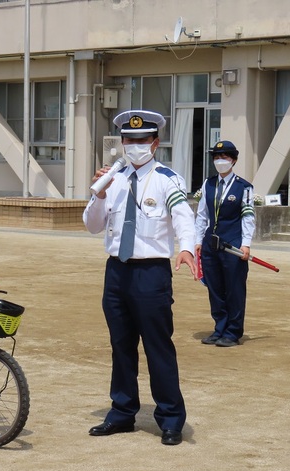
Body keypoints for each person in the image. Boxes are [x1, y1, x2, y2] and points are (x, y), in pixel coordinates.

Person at [83, 110, 197, 446]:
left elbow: (183, 217)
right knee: (121, 346)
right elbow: (92, 225)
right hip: (117, 271)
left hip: (151, 272)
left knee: (158, 347)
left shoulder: (167, 179)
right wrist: (100, 194)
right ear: (122, 143)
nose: (135, 146)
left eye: (142, 140)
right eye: (129, 140)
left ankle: (171, 418)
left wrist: (187, 248)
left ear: (155, 143)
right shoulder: (112, 180)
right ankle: (122, 412)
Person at [195, 140, 256, 347]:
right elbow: (201, 215)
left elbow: (248, 216)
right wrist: (197, 241)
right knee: (215, 289)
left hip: (233, 246)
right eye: (217, 157)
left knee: (234, 289)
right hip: (210, 246)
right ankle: (219, 327)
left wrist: (246, 244)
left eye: (225, 157)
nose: (220, 161)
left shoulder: (243, 187)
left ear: (234, 160)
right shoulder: (208, 184)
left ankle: (233, 331)